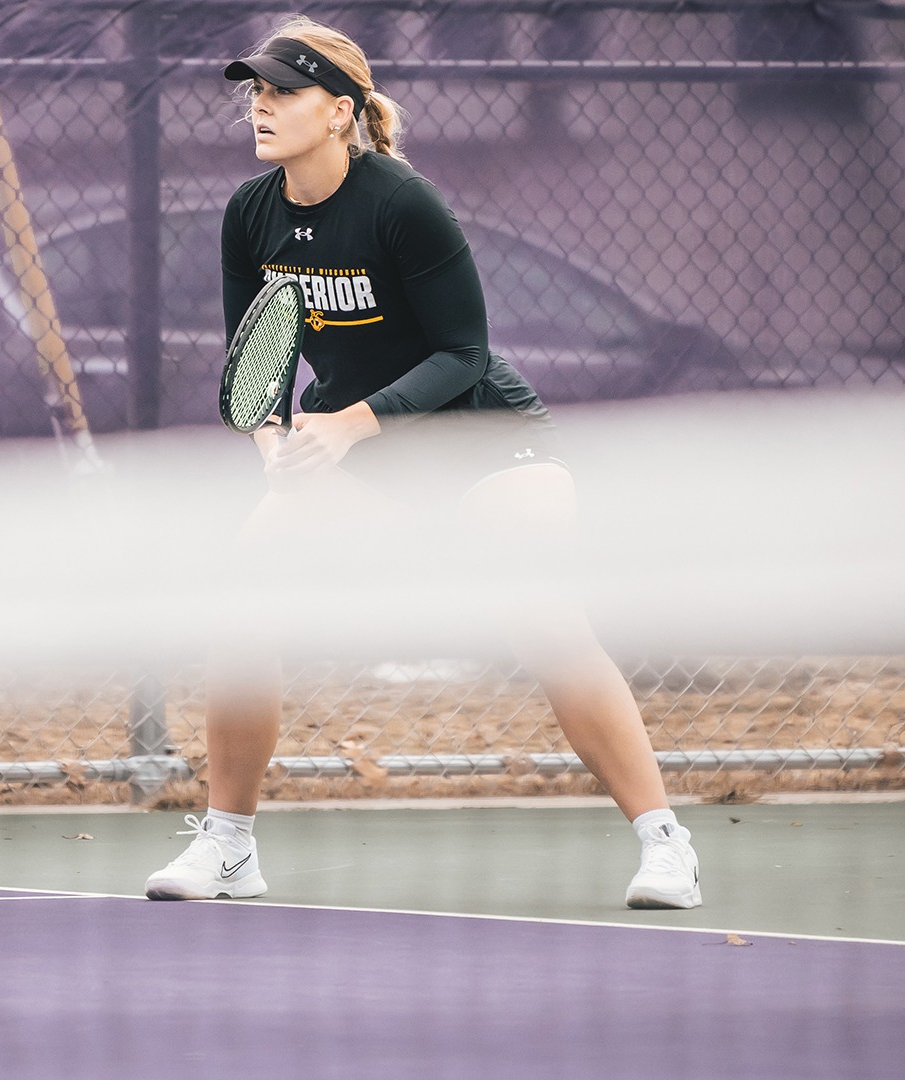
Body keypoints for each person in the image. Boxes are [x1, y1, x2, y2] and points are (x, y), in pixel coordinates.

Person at [144, 16, 701, 909]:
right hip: (356, 450)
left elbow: (463, 353)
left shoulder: (402, 203)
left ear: (339, 111)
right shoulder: (250, 213)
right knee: (242, 610)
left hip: (486, 441)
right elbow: (256, 361)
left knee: (541, 617)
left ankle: (665, 844)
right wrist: (275, 444)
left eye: (284, 91)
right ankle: (228, 846)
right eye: (257, 92)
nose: (262, 107)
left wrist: (349, 425)